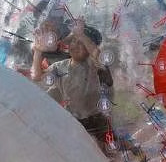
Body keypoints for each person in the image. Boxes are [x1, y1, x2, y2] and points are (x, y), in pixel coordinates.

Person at [31, 17, 113, 150]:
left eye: (82, 43)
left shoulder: (93, 65)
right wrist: (38, 51)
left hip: (97, 121)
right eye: (74, 41)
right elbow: (37, 76)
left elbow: (97, 55)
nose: (76, 45)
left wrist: (80, 34)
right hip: (74, 122)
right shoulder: (59, 67)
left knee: (105, 153)